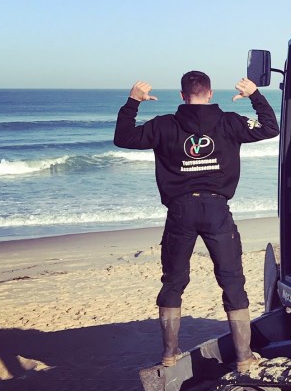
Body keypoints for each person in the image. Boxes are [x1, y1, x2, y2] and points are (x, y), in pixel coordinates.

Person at [114, 71, 279, 371]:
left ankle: (169, 354)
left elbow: (123, 137)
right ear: (211, 93)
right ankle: (243, 357)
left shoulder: (163, 125)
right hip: (217, 211)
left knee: (174, 281)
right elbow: (271, 127)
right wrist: (254, 95)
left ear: (181, 95)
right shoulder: (231, 122)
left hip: (180, 211)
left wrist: (132, 102)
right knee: (231, 281)